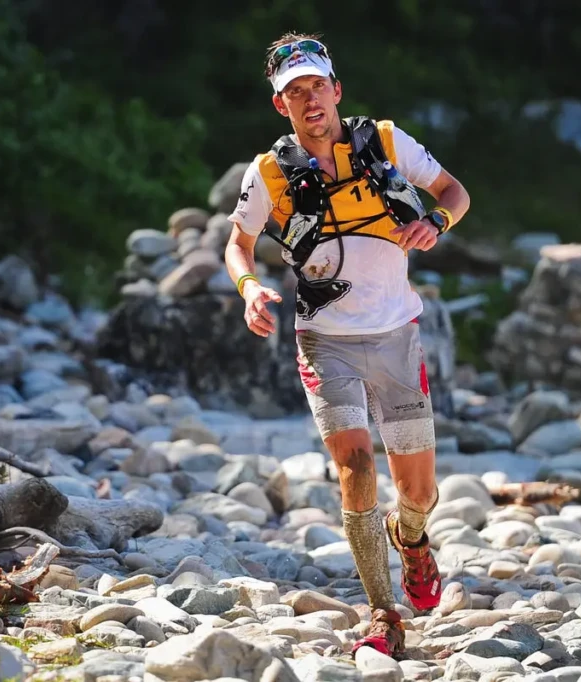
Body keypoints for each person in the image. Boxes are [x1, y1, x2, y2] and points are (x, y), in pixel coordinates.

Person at [224, 32, 471, 658]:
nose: (309, 101)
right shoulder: (270, 172)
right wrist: (250, 288)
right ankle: (382, 613)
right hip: (323, 340)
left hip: (395, 334)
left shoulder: (386, 143)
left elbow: (454, 192)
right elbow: (238, 245)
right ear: (281, 105)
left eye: (316, 86)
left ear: (336, 89)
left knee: (417, 492)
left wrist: (433, 222)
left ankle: (410, 538)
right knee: (355, 468)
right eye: (294, 92)